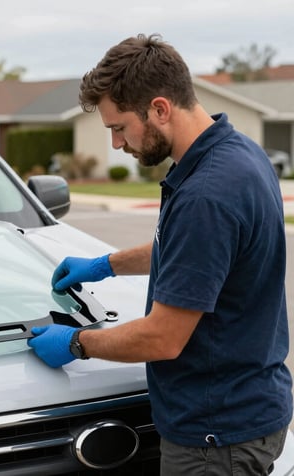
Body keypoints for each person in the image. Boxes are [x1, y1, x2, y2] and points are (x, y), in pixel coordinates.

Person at [27, 34, 292, 475]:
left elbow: (162, 339)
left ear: (160, 109)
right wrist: (105, 266)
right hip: (249, 406)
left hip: (215, 439)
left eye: (118, 127)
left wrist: (76, 342)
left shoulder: (206, 194)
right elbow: (197, 254)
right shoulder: (238, 153)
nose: (116, 144)